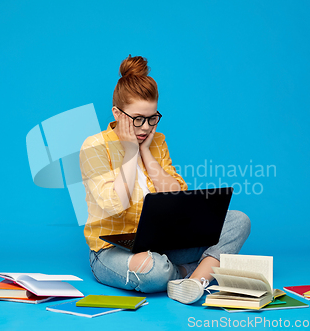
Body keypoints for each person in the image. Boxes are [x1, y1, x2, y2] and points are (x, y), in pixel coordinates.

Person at [79, 55, 251, 304]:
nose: (145, 128)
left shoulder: (156, 142)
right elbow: (113, 204)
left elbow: (176, 195)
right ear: (117, 113)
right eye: (137, 119)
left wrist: (146, 153)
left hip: (163, 244)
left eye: (152, 119)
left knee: (238, 221)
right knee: (154, 271)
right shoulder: (94, 146)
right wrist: (129, 154)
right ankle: (187, 271)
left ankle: (195, 283)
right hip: (111, 251)